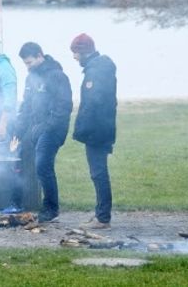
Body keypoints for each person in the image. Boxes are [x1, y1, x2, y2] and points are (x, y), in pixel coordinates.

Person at [12, 42, 73, 223]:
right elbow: (26, 107)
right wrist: (18, 129)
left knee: (42, 165)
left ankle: (51, 207)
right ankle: (18, 202)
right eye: (25, 64)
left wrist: (46, 126)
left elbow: (64, 108)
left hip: (53, 129)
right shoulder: (30, 79)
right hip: (35, 128)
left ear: (40, 56)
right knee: (21, 159)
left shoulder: (57, 76)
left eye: (30, 62)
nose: (28, 67)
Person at [69, 33, 117, 230]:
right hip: (103, 127)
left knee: (98, 173)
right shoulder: (99, 67)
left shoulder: (95, 71)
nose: (74, 57)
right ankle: (100, 214)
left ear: (83, 52)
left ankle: (103, 218)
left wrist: (81, 130)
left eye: (75, 53)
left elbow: (92, 103)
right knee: (98, 172)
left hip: (97, 130)